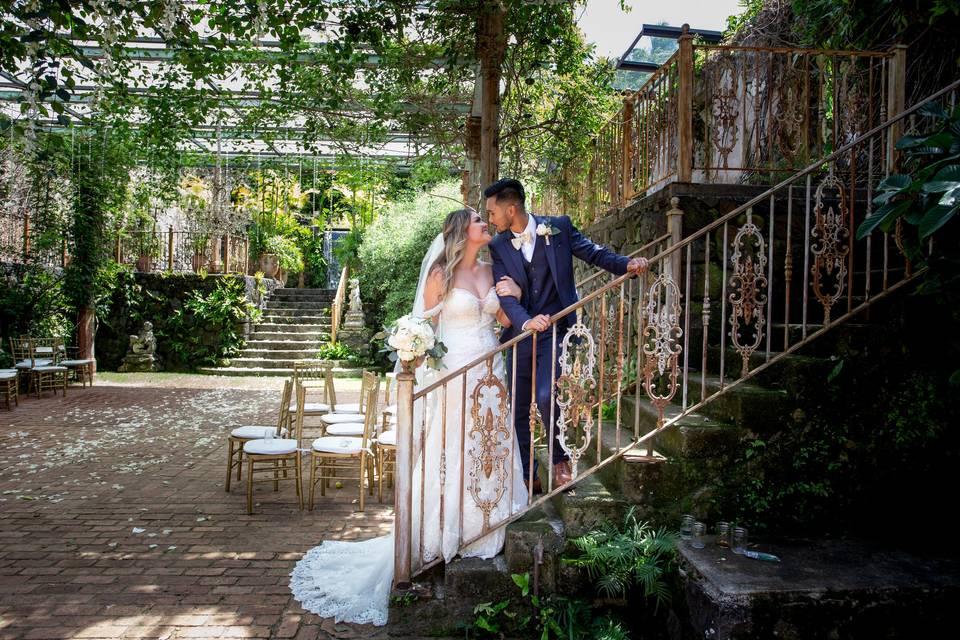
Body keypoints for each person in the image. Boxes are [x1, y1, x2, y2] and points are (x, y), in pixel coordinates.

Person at [290, 209, 528, 626]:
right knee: (451, 444)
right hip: (453, 373)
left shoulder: (493, 270)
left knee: (486, 444)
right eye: (477, 220)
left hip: (490, 374)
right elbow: (423, 325)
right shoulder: (440, 273)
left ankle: (487, 519)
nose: (484, 223)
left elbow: (504, 321)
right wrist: (413, 353)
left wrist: (516, 299)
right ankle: (446, 531)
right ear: (459, 231)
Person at [485, 178, 648, 492]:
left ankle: (560, 461)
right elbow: (506, 296)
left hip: (556, 330)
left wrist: (626, 264)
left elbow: (593, 253)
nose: (491, 220)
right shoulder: (498, 246)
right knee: (518, 406)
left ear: (511, 208)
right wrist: (526, 322)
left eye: (493, 213)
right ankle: (527, 473)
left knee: (547, 395)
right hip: (520, 336)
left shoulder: (557, 228)